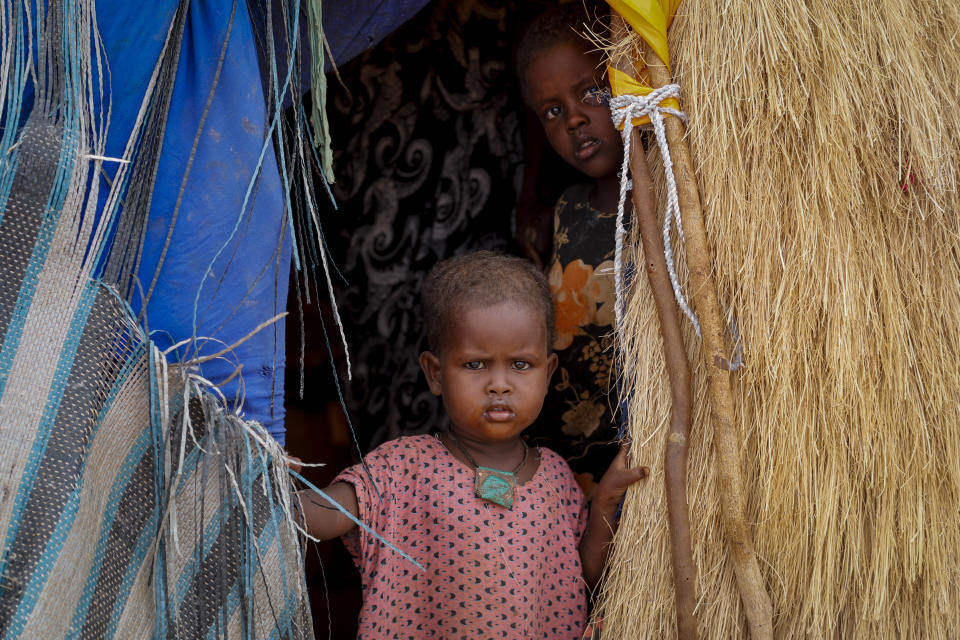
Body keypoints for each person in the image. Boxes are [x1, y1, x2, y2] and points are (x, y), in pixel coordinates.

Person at [298, 251, 648, 638]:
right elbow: (329, 513)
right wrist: (274, 497)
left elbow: (581, 579)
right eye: (475, 365)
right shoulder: (402, 466)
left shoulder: (556, 479)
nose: (499, 384)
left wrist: (604, 503)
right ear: (435, 373)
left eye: (520, 365)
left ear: (548, 374)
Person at [515, 3, 652, 498]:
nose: (574, 119)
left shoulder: (665, 203)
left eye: (591, 91)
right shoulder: (568, 210)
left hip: (637, 450)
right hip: (568, 459)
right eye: (552, 111)